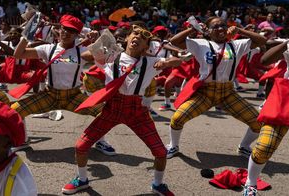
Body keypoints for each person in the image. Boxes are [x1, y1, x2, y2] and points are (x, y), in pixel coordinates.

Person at [62, 25, 181, 195]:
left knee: (160, 152)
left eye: (143, 37)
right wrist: (100, 40)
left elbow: (176, 62)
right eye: (134, 33)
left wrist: (165, 62)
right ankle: (82, 180)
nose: (137, 37)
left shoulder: (151, 62)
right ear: (126, 38)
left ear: (146, 47)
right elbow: (86, 55)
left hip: (137, 110)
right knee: (81, 145)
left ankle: (158, 184)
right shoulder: (113, 56)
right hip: (113, 107)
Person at [11, 14, 115, 155]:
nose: (66, 33)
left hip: (73, 96)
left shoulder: (82, 52)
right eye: (64, 29)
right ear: (59, 29)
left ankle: (100, 141)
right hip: (50, 95)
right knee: (15, 109)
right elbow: (18, 54)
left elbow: (107, 57)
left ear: (77, 34)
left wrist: (98, 39)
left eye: (71, 31)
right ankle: (22, 141)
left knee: (104, 112)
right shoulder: (48, 49)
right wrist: (28, 34)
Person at [166, 16, 266, 159]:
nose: (220, 29)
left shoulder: (237, 45)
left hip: (227, 93)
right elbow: (174, 41)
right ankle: (173, 146)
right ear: (208, 31)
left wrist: (240, 30)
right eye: (215, 27)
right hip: (205, 92)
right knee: (177, 119)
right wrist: (192, 29)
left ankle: (244, 147)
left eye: (223, 25)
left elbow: (262, 41)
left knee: (258, 122)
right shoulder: (201, 44)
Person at [242, 40, 289, 196]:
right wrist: (286, 43)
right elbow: (264, 61)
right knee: (264, 147)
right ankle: (251, 182)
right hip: (285, 101)